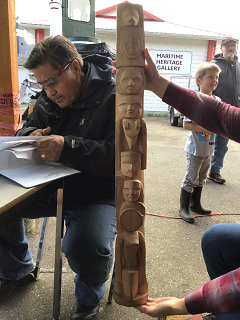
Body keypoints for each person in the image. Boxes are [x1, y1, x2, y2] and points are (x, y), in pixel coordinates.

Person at [0, 35, 117, 320]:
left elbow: (122, 157)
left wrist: (69, 146)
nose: (48, 92)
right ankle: (16, 269)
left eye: (52, 82)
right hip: (45, 186)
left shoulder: (116, 98)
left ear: (75, 68)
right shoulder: (48, 97)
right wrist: (30, 135)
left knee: (86, 245)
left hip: (95, 191)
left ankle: (89, 298)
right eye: (41, 85)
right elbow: (24, 131)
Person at [131, 48, 240, 320]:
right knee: (216, 238)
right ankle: (186, 205)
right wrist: (157, 84)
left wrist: (185, 305)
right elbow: (221, 115)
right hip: (197, 151)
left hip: (206, 151)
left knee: (200, 179)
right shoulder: (211, 101)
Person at [179, 62, 221, 223]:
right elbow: (186, 124)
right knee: (191, 178)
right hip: (195, 148)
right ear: (199, 80)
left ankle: (195, 204)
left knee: (202, 178)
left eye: (216, 77)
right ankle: (184, 207)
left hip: (209, 147)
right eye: (210, 77)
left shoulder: (217, 100)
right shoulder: (195, 100)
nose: (214, 80)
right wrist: (208, 127)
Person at [207, 37, 240, 184]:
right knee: (206, 141)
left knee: (222, 144)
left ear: (237, 48)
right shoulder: (214, 65)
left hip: (231, 111)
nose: (230, 48)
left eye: (233, 45)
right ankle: (201, 170)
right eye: (227, 46)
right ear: (222, 49)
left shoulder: (239, 66)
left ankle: (215, 171)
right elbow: (207, 84)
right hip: (215, 109)